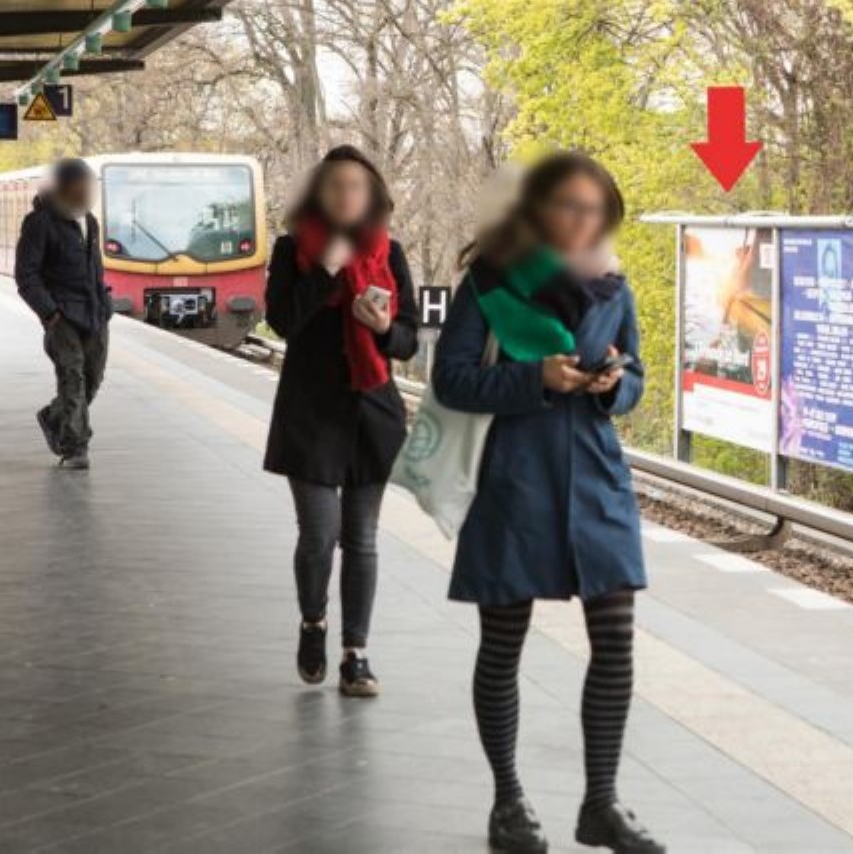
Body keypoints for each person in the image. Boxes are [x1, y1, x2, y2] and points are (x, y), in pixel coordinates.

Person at [433, 152, 665, 854]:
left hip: (595, 481)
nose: (582, 220)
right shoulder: (493, 281)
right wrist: (536, 378)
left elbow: (637, 373)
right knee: (503, 644)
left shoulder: (612, 282)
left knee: (616, 641)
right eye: (569, 206)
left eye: (595, 210)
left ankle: (602, 803)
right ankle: (508, 800)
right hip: (514, 483)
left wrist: (614, 384)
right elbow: (451, 380)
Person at [264, 145, 418, 697]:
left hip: (371, 410)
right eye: (335, 186)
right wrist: (327, 270)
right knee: (319, 534)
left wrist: (382, 328)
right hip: (309, 412)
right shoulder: (292, 249)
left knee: (362, 538)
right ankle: (313, 622)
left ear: (372, 195)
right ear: (318, 195)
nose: (346, 195)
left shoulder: (389, 252)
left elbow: (408, 340)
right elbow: (282, 321)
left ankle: (357, 655)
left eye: (356, 186)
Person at [15, 158, 113, 471]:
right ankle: (75, 448)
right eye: (79, 187)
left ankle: (53, 417)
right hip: (63, 317)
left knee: (92, 379)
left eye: (88, 187)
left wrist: (106, 304)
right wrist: (50, 313)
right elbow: (26, 275)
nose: (85, 192)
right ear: (63, 188)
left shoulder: (91, 222)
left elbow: (95, 268)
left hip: (95, 314)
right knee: (73, 379)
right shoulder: (39, 223)